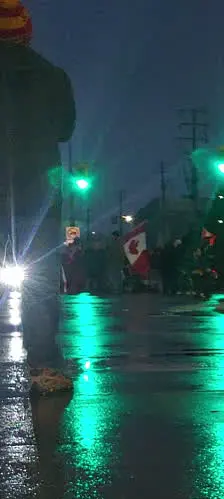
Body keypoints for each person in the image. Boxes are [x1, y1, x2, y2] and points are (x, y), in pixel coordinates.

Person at [0, 1, 76, 380]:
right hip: (37, 193)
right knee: (42, 276)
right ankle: (44, 364)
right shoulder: (53, 76)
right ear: (26, 31)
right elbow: (65, 130)